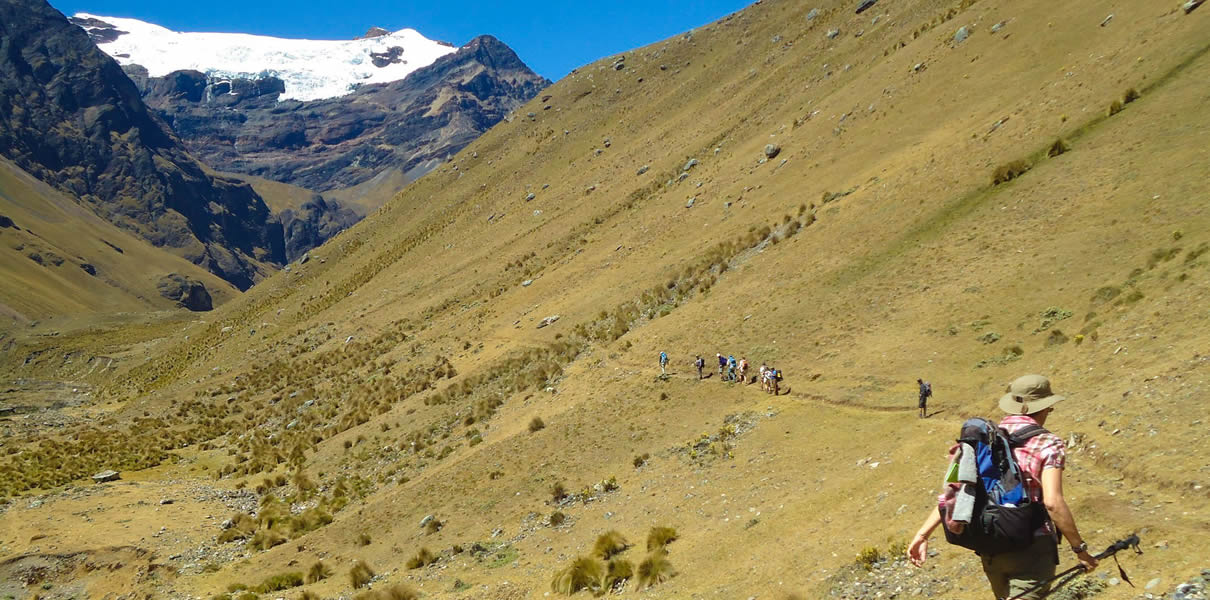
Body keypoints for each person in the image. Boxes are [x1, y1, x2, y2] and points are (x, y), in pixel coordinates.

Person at [907, 375, 1098, 600]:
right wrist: (1080, 549)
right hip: (1032, 549)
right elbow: (1053, 503)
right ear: (1044, 407)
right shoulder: (1048, 443)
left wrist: (922, 534)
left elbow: (957, 492)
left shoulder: (983, 439)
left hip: (991, 546)